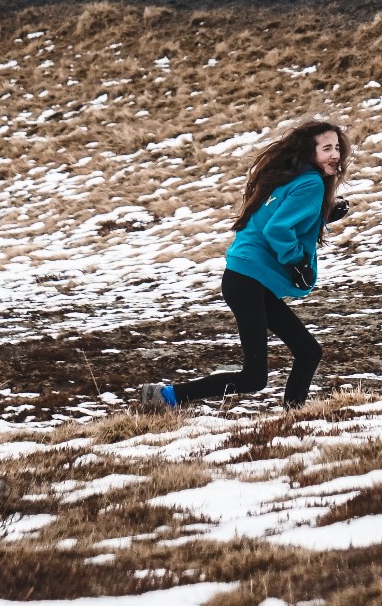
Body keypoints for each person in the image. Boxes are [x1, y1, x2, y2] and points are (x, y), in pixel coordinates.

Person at [140, 118, 351, 411]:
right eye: (326, 148)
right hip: (248, 281)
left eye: (337, 148)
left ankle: (294, 418)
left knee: (308, 351)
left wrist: (321, 216)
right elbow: (276, 230)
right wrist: (297, 262)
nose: (335, 155)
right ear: (309, 152)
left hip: (246, 278)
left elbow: (271, 219)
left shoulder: (292, 178)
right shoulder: (311, 183)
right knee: (254, 377)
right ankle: (165, 397)